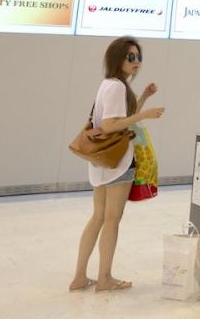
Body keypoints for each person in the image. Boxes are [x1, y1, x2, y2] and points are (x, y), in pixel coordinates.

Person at [69, 37, 165, 293]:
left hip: (102, 161)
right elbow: (111, 125)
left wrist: (143, 97)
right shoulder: (117, 87)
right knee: (112, 219)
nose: (136, 62)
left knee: (98, 217)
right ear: (117, 59)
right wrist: (145, 114)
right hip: (118, 161)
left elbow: (123, 117)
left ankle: (80, 277)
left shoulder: (109, 84)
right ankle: (105, 278)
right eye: (130, 57)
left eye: (138, 57)